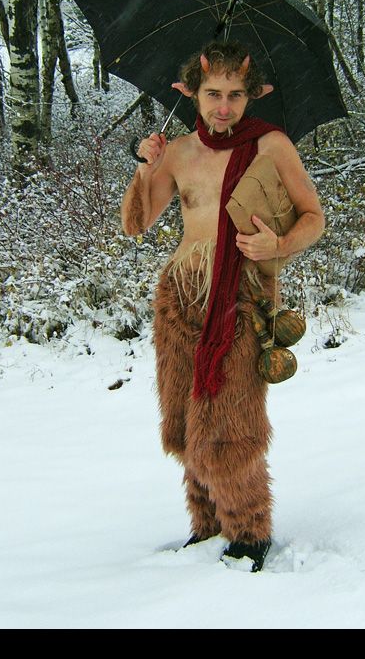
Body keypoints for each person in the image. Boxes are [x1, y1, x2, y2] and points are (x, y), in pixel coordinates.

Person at [120, 41, 325, 572]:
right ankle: (207, 526)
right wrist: (146, 167)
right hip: (182, 297)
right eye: (214, 93)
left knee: (231, 425)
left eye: (236, 95)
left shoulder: (272, 146)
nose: (224, 107)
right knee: (185, 421)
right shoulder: (180, 151)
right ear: (191, 92)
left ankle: (249, 531)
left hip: (243, 298)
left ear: (254, 95)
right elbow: (138, 223)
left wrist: (278, 247)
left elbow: (313, 217)